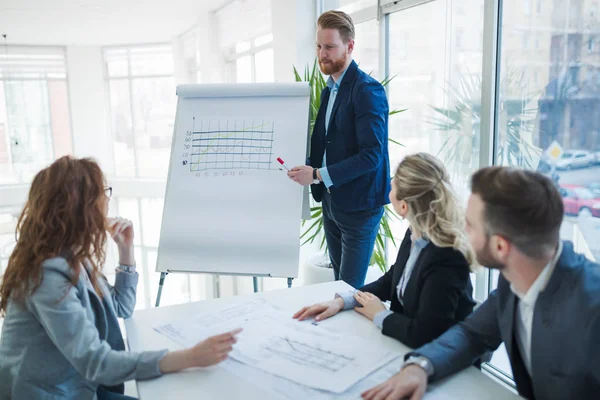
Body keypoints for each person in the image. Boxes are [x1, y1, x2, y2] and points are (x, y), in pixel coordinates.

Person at [0, 156, 241, 400]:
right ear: (79, 207)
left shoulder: (73, 256)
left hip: (79, 388)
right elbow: (97, 362)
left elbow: (121, 307)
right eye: (102, 193)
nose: (106, 200)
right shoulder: (46, 277)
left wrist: (126, 250)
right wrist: (190, 357)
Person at [362, 167, 600, 400]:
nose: (462, 230)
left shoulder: (592, 309)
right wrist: (420, 366)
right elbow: (471, 335)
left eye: (470, 225)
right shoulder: (516, 277)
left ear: (500, 247)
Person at [294, 153, 476, 348]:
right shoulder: (415, 231)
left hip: (440, 358)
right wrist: (343, 301)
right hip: (404, 345)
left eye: (393, 183)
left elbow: (423, 335)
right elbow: (393, 279)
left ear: (404, 206)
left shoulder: (446, 258)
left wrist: (380, 314)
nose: (389, 185)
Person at [288, 10, 390, 288]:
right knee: (337, 286)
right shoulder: (329, 89)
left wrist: (317, 175)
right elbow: (326, 143)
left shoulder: (367, 91)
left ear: (350, 46)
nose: (322, 54)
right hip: (332, 203)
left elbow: (371, 156)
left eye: (330, 47)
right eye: (319, 46)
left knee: (348, 292)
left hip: (360, 208)